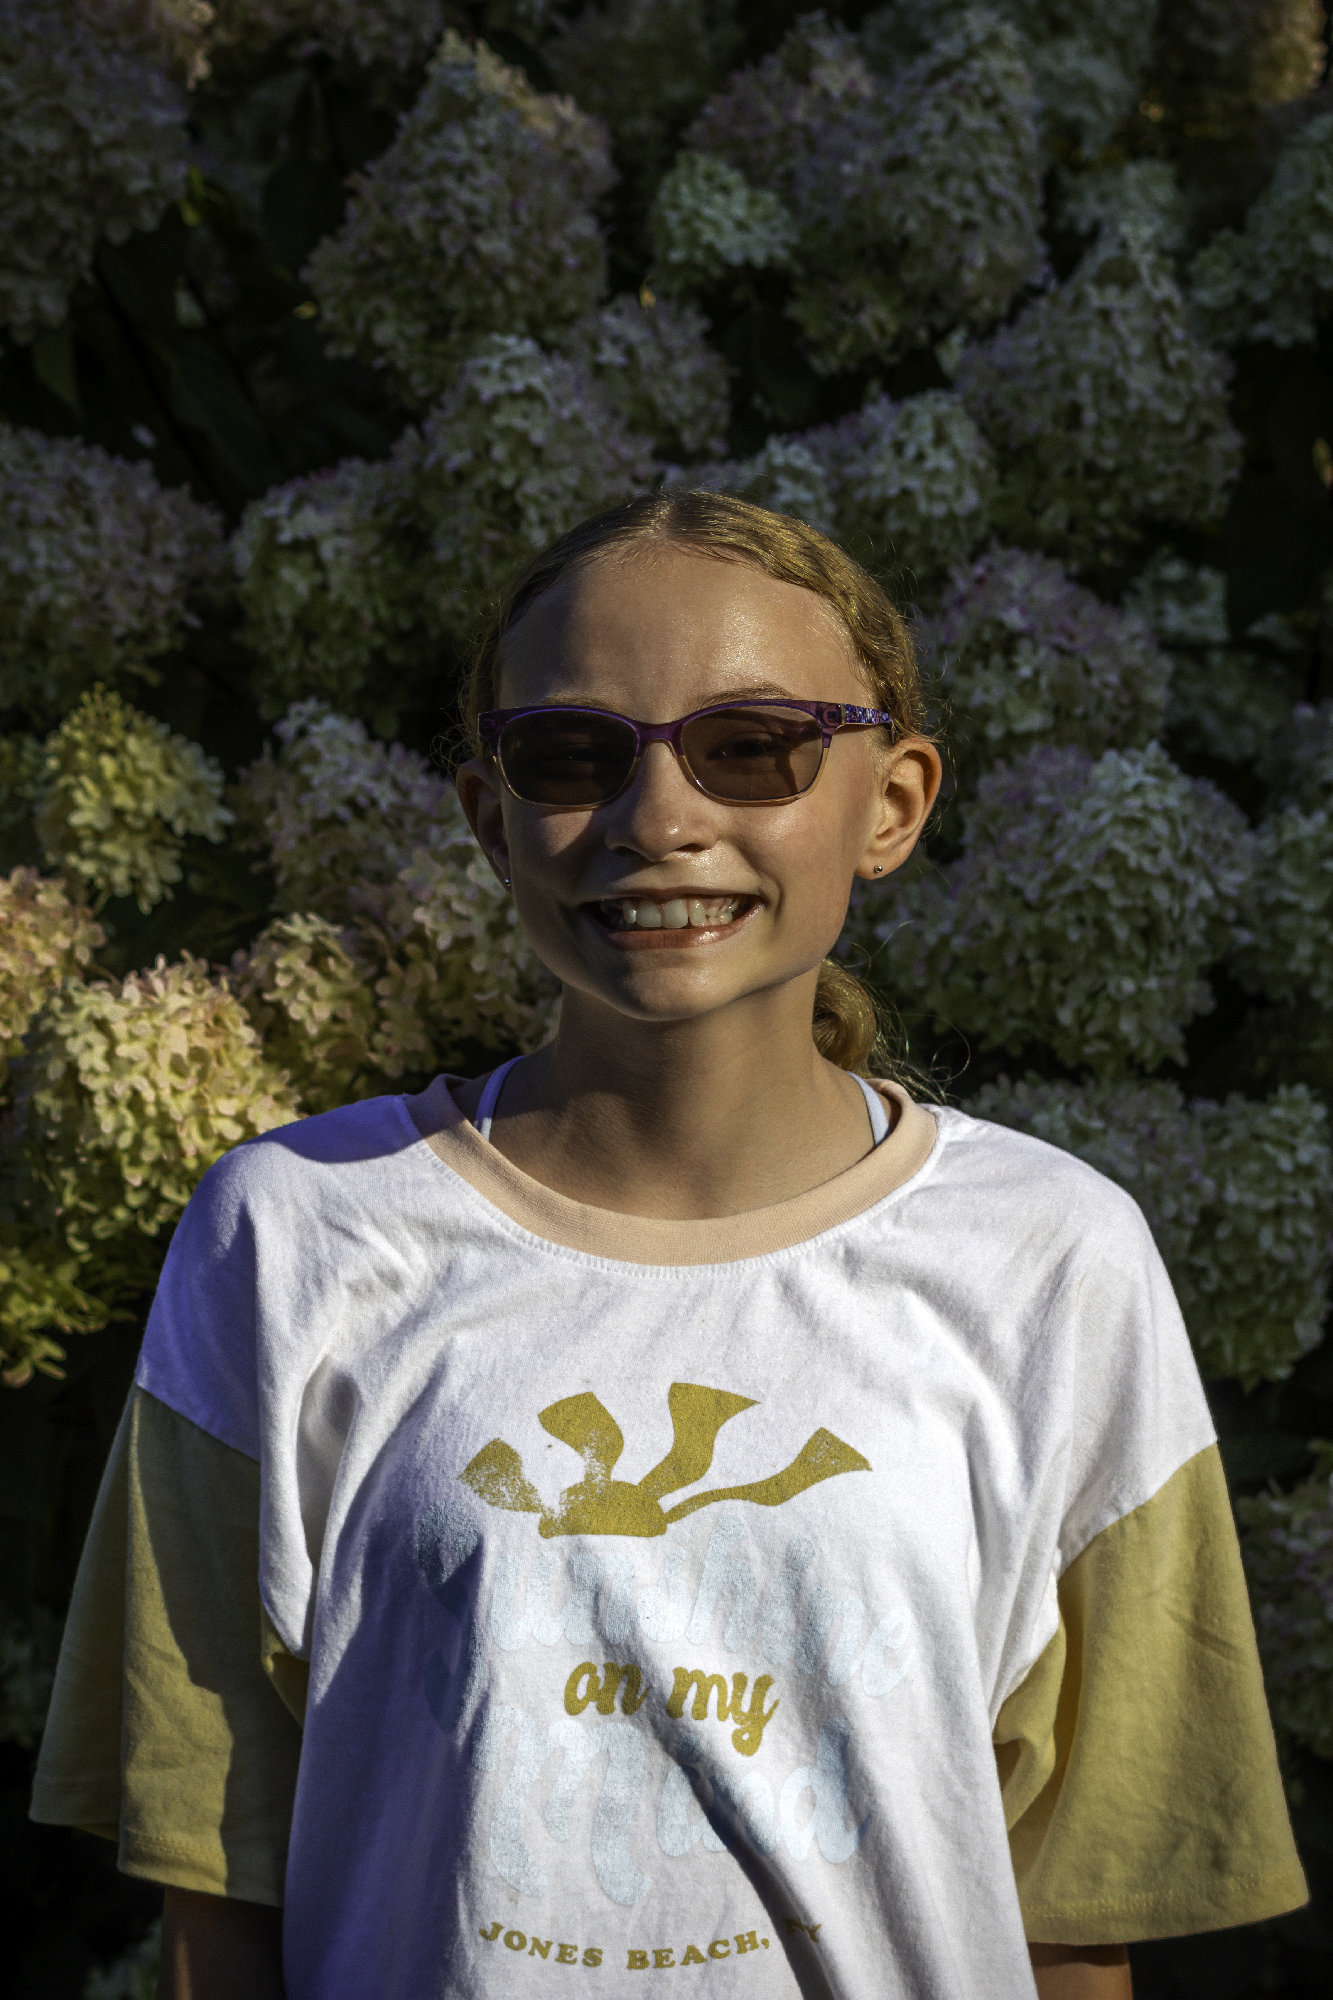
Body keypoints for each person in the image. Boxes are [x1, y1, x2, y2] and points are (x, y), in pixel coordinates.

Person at [33, 492, 1306, 1999]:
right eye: (571, 756)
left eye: (750, 746)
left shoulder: (1054, 1261)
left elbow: (1082, 1914)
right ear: (486, 812)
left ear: (890, 804)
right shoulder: (290, 1233)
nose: (658, 817)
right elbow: (217, 1889)